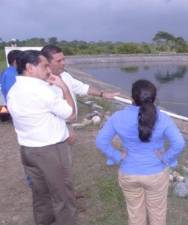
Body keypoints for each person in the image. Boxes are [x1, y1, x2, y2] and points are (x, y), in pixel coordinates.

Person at [96, 79, 185, 225]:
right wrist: (166, 158)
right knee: (157, 214)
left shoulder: (118, 117)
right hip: (156, 173)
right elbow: (179, 143)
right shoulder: (163, 118)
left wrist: (117, 155)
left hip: (129, 173)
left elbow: (101, 141)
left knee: (135, 214)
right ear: (154, 99)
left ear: (132, 98)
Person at [7, 50, 77, 225]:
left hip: (28, 150)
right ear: (30, 68)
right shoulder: (42, 91)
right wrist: (63, 87)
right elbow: (71, 115)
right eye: (45, 65)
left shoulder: (14, 89)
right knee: (63, 196)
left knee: (41, 195)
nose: (49, 70)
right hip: (50, 151)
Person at [41, 44, 119, 114]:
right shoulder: (41, 85)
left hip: (66, 125)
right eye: (59, 61)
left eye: (63, 59)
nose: (63, 63)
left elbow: (83, 88)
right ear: (47, 63)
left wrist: (103, 94)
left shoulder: (65, 76)